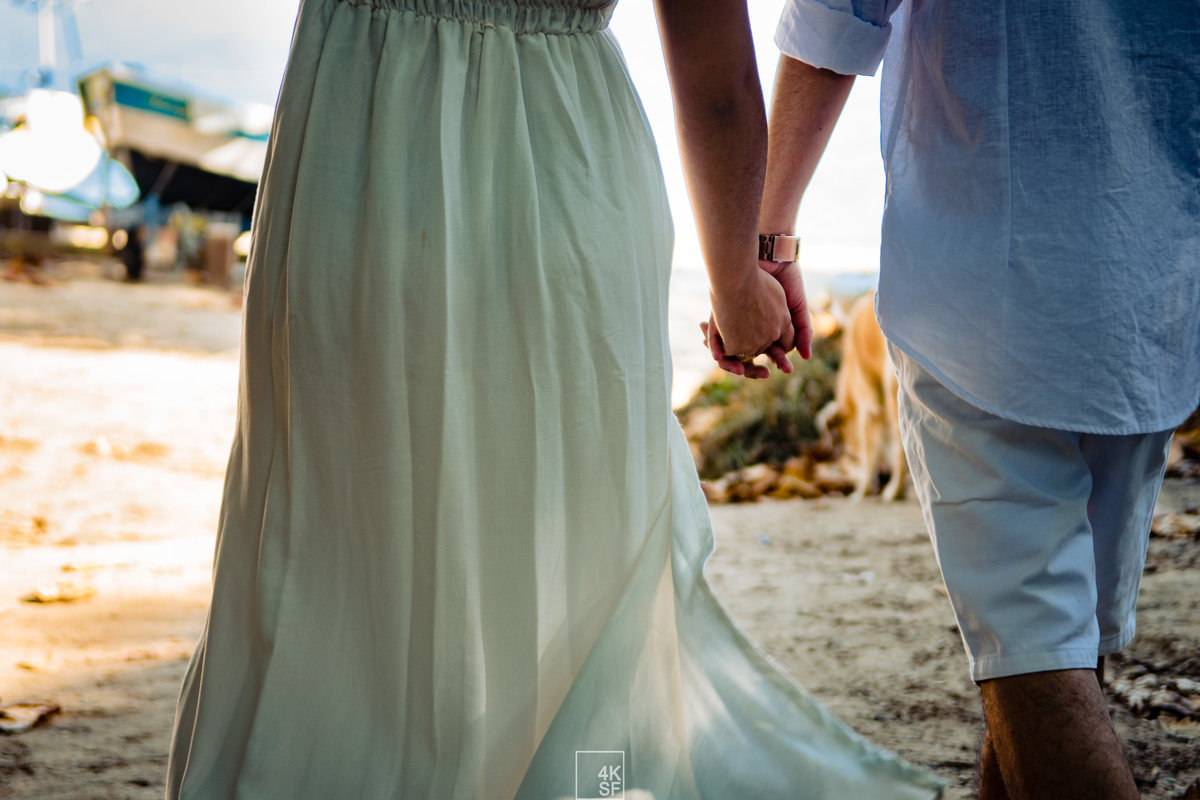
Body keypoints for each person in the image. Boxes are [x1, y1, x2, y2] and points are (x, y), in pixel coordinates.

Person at [164, 1, 943, 797]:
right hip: (558, 166)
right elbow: (715, 75)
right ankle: (586, 785)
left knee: (338, 539)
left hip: (355, 149)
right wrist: (745, 275)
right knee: (576, 561)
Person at [708, 1, 1199, 797]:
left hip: (983, 286)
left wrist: (766, 241)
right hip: (1153, 296)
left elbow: (837, 21)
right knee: (1055, 652)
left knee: (1040, 660)